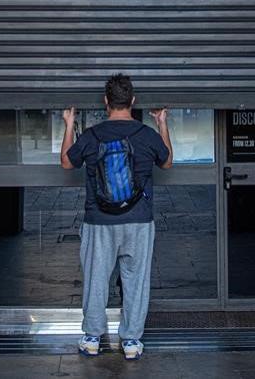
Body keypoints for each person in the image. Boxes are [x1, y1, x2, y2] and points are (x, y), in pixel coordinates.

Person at [60, 73, 172, 361]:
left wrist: (70, 124)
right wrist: (161, 123)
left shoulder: (93, 135)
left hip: (99, 221)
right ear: (132, 101)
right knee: (136, 280)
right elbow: (167, 161)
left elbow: (66, 162)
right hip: (139, 220)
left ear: (106, 101)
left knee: (97, 279)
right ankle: (132, 341)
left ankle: (92, 338)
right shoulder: (146, 135)